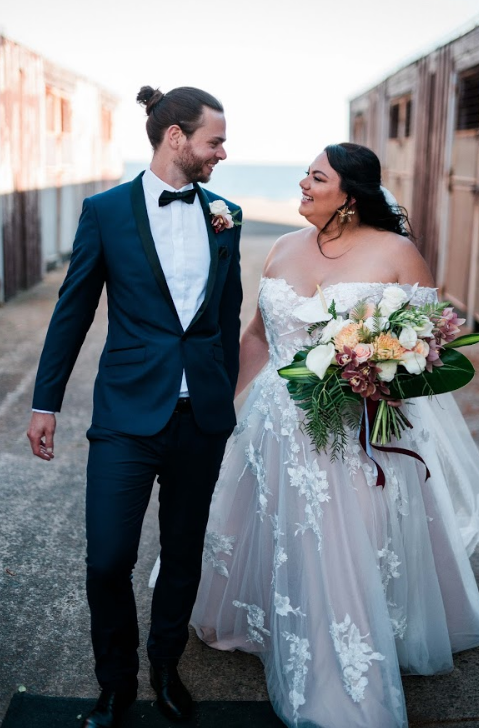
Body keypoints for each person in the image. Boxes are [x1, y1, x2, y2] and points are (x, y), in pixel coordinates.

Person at [190, 143, 479, 728]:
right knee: (271, 526)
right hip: (274, 423)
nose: (302, 183)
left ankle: (342, 665)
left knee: (345, 543)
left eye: (315, 177)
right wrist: (221, 407)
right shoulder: (281, 247)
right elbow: (257, 338)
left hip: (354, 430)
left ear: (348, 194)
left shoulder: (398, 254)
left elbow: (425, 353)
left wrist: (373, 372)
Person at [27, 85, 242, 728]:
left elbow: (225, 320)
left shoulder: (225, 213)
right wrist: (46, 403)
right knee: (107, 560)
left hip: (199, 419)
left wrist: (222, 392)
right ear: (176, 137)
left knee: (182, 555)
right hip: (125, 417)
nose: (223, 153)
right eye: (214, 140)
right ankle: (114, 683)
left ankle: (165, 668)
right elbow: (72, 311)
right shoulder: (105, 211)